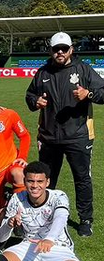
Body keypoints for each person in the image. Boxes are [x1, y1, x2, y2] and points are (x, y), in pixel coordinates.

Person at [26, 32, 104, 237]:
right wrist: (36, 102)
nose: (59, 52)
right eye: (55, 49)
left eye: (63, 48)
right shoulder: (42, 72)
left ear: (71, 49)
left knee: (82, 178)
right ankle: (44, 215)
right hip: (48, 136)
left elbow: (102, 92)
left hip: (78, 135)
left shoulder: (84, 70)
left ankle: (85, 219)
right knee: (47, 179)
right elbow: (30, 95)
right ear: (51, 51)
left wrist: (89, 94)